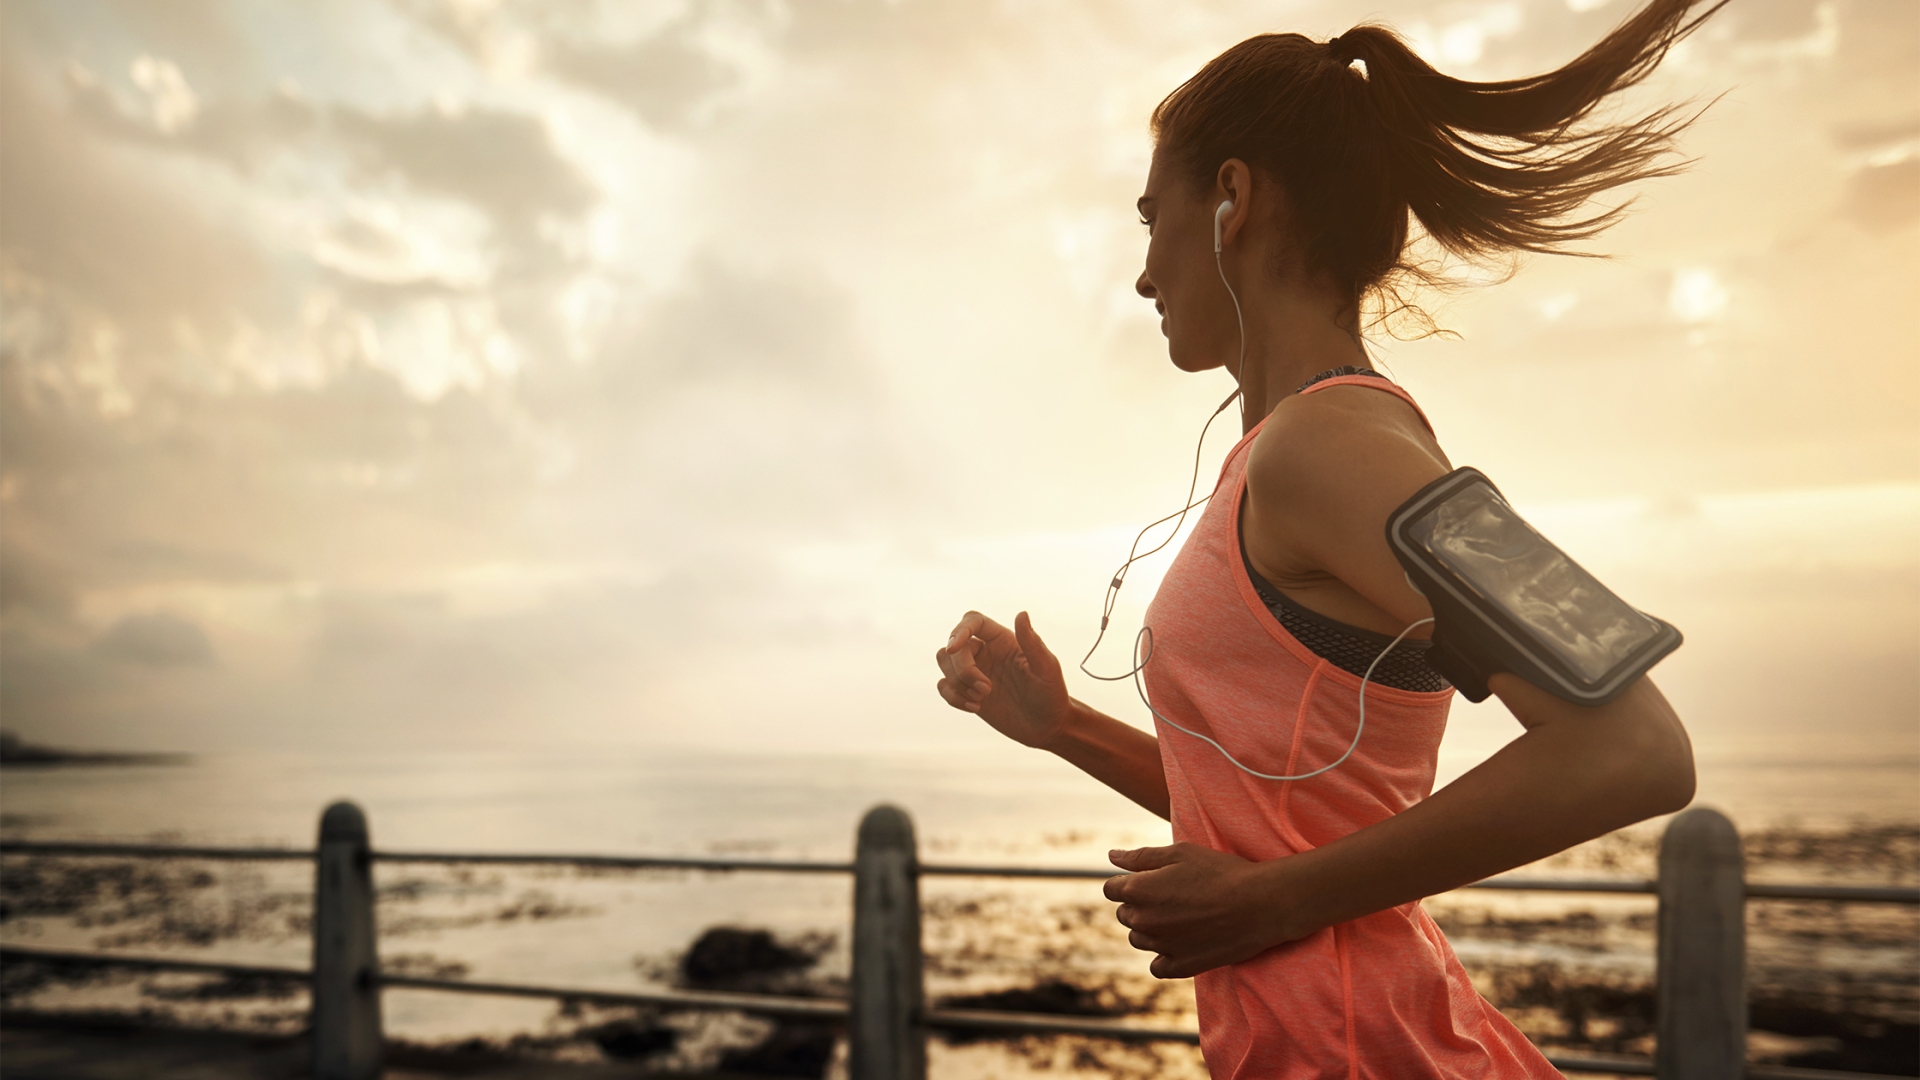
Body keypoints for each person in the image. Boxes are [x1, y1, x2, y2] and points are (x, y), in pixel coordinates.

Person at [933, 1, 1724, 1075]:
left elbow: (1635, 747)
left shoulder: (1336, 446)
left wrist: (1271, 902)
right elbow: (1274, 814)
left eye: (1148, 216)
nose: (1142, 272)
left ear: (1231, 199)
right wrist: (1065, 724)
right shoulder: (1281, 455)